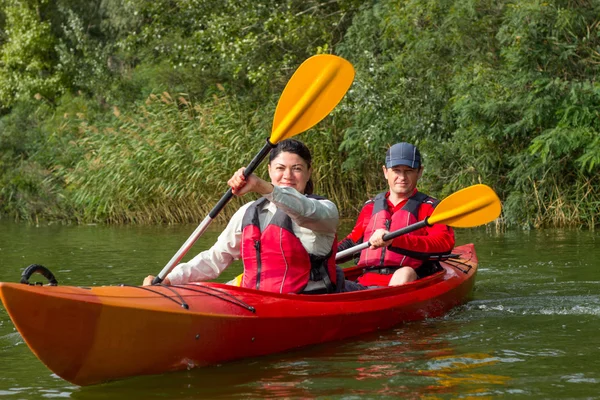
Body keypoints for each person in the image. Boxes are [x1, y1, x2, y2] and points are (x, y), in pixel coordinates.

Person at [143, 139, 340, 294]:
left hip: (306, 302)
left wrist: (260, 186)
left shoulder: (324, 210)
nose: (287, 175)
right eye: (280, 168)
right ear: (270, 170)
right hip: (252, 300)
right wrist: (170, 279)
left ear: (308, 172)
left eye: (297, 168)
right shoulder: (248, 212)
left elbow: (302, 210)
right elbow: (216, 258)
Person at [337, 142, 455, 289]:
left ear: (419, 172)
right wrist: (320, 256)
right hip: (365, 283)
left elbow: (443, 244)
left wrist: (395, 240)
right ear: (386, 172)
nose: (402, 177)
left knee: (405, 273)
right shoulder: (371, 206)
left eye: (409, 171)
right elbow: (352, 243)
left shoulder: (431, 207)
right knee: (332, 275)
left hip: (410, 279)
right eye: (396, 170)